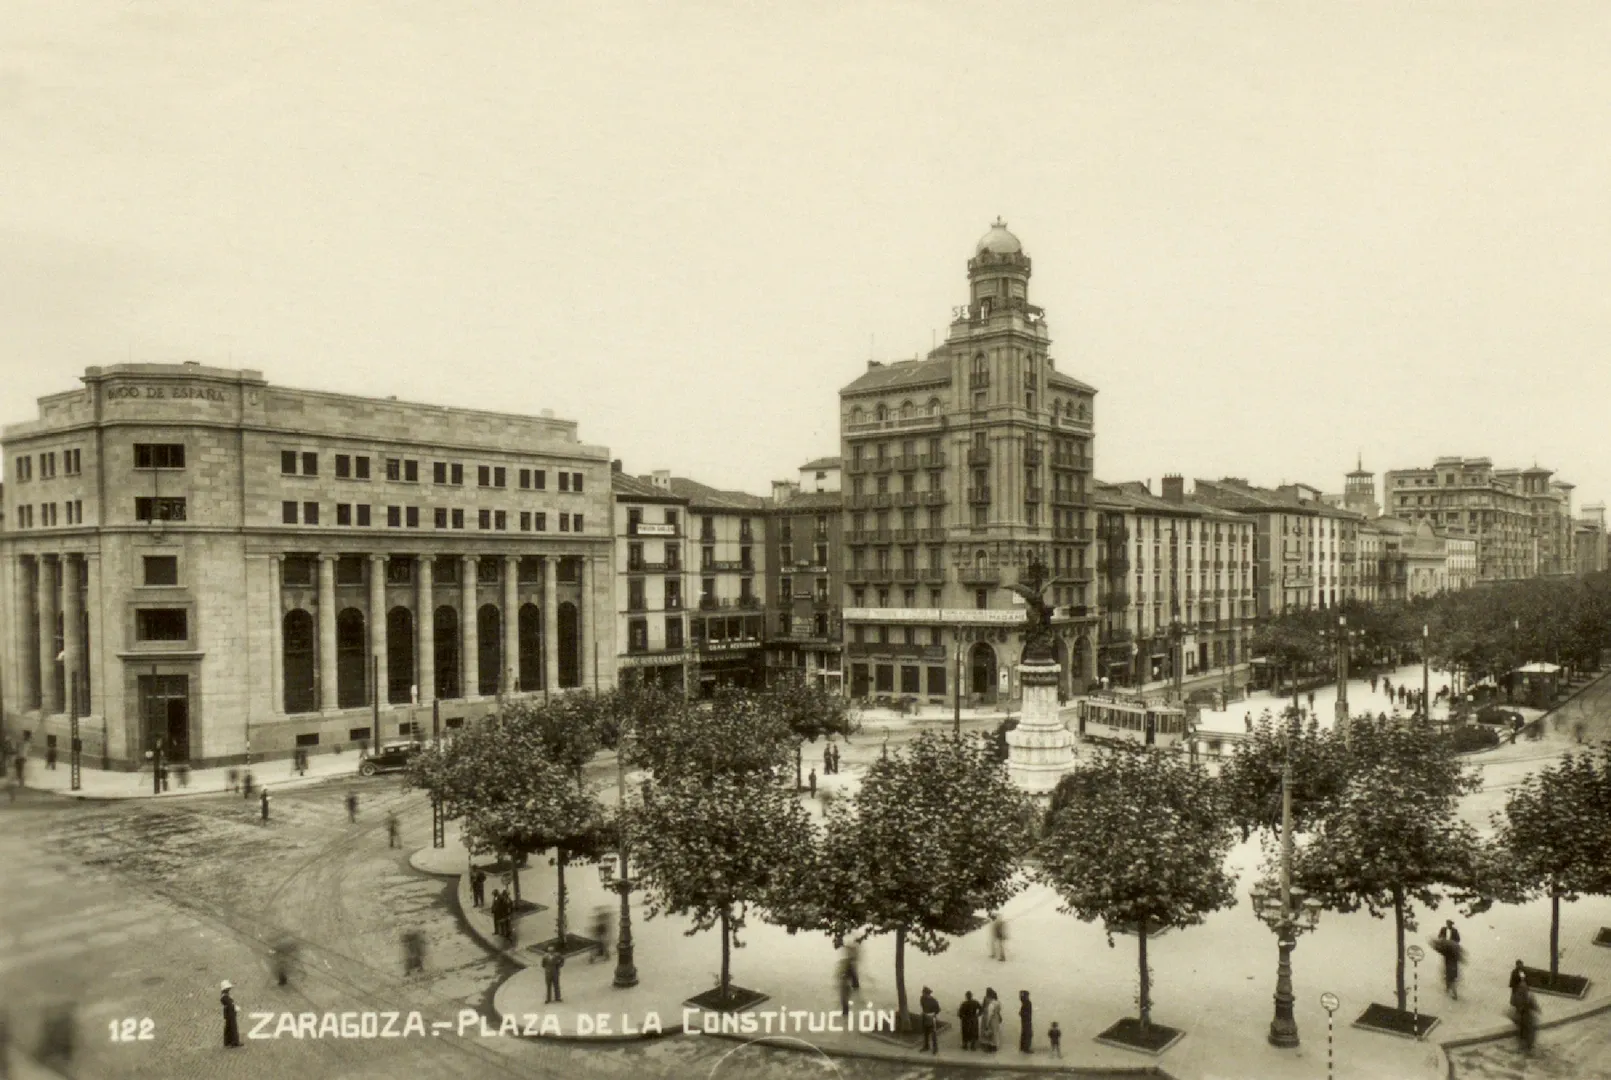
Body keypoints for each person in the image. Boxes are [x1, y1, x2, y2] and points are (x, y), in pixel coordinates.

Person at [1511, 972, 1538, 1051]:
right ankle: (1527, 1045)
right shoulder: (1523, 988)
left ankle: (1525, 1044)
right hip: (1524, 1013)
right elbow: (1530, 1001)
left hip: (1522, 1012)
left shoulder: (1519, 988)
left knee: (1523, 1029)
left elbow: (1514, 1001)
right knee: (1526, 1029)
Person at [918, 987, 940, 1054]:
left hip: (931, 1017)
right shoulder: (922, 998)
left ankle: (935, 1048)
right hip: (925, 1017)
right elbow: (922, 1006)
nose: (923, 994)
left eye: (924, 993)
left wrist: (932, 1014)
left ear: (927, 993)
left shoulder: (933, 1001)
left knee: (933, 1033)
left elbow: (938, 1009)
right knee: (925, 1033)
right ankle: (926, 1046)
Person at [220, 982, 242, 1048]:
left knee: (228, 1027)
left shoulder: (225, 996)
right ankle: (234, 1042)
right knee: (233, 1027)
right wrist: (235, 1007)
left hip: (229, 1014)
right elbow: (230, 1005)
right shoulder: (225, 997)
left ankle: (227, 1042)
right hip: (230, 1014)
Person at [980, 988, 1001, 1053]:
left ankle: (987, 1045)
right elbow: (998, 1011)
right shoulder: (996, 1001)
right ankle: (994, 1045)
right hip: (995, 1017)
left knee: (987, 1029)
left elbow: (983, 1007)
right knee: (994, 1031)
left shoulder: (986, 999)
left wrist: (980, 1013)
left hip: (988, 1015)